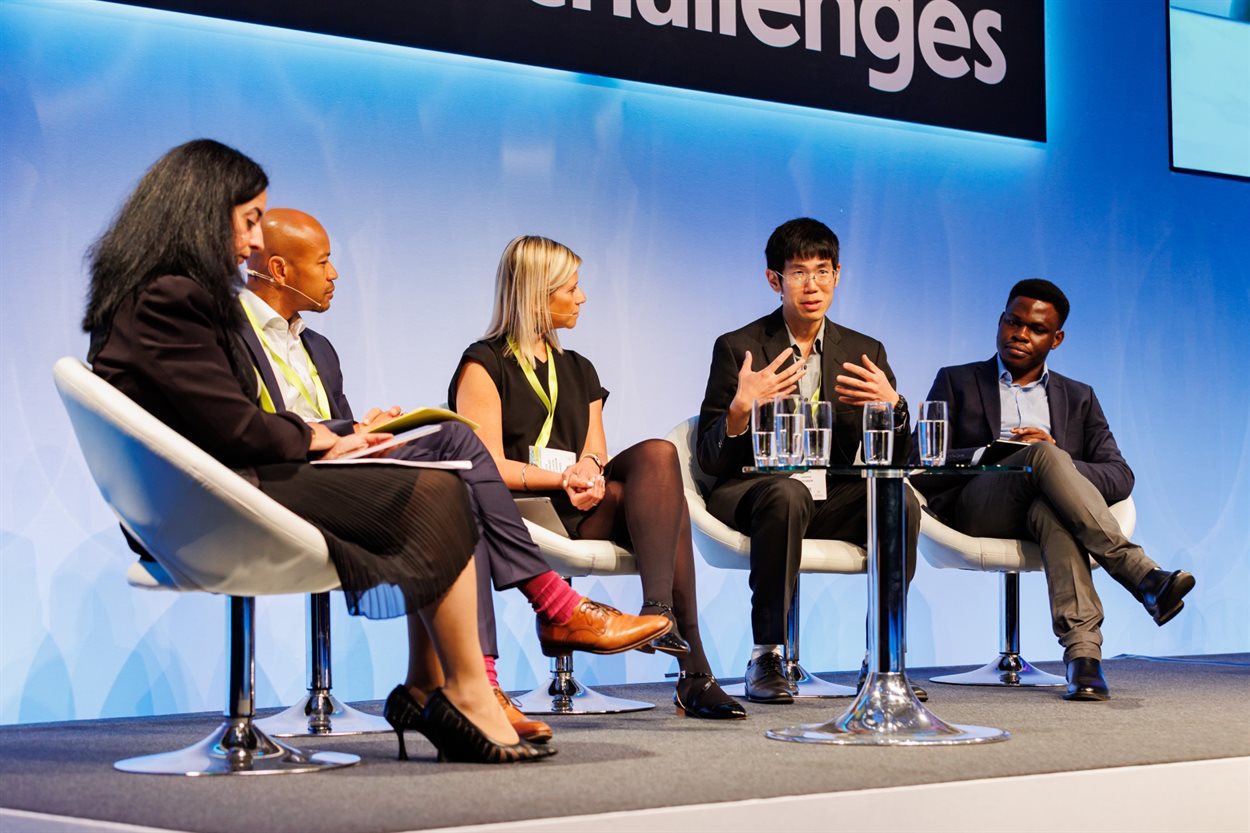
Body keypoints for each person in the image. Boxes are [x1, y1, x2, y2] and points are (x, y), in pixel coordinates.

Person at [83, 139, 552, 763]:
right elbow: (232, 427)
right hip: (211, 503)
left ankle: (434, 685)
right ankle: (462, 690)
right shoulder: (172, 298)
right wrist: (316, 437)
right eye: (249, 220)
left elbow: (222, 419)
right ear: (202, 211)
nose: (254, 242)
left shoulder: (153, 295)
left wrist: (334, 437)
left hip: (218, 489)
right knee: (438, 488)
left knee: (439, 474)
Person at [239, 208, 670, 742]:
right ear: (279, 269)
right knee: (456, 449)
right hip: (271, 488)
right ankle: (538, 624)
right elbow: (238, 426)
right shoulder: (228, 332)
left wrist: (363, 430)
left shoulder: (319, 348)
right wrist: (325, 435)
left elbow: (334, 426)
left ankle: (452, 684)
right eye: (325, 261)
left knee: (453, 473)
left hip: (337, 475)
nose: (335, 273)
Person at [450, 235, 746, 720]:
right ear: (537, 294)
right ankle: (694, 671)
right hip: (520, 511)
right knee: (664, 505)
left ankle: (659, 613)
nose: (582, 297)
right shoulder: (483, 364)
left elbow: (594, 448)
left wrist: (588, 470)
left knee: (659, 456)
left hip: (577, 503)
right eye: (571, 288)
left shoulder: (579, 368)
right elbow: (486, 465)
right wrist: (562, 480)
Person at [913, 279, 1195, 701]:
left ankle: (1083, 658)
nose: (1020, 334)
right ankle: (1141, 575)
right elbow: (923, 460)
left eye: (1036, 329)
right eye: (1013, 322)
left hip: (1049, 507)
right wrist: (995, 453)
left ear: (1056, 339)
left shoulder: (1079, 397)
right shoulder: (957, 381)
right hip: (977, 506)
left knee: (1050, 501)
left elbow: (1120, 475)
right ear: (1000, 321)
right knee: (1042, 456)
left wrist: (1058, 462)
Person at [696, 217, 923, 704]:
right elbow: (709, 457)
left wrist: (894, 407)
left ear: (838, 275)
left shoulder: (864, 351)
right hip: (755, 491)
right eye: (799, 273)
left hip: (829, 494)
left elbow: (900, 460)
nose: (812, 285)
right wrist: (741, 409)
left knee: (897, 501)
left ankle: (883, 659)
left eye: (823, 271)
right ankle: (766, 656)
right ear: (774, 280)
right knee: (787, 491)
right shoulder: (739, 347)